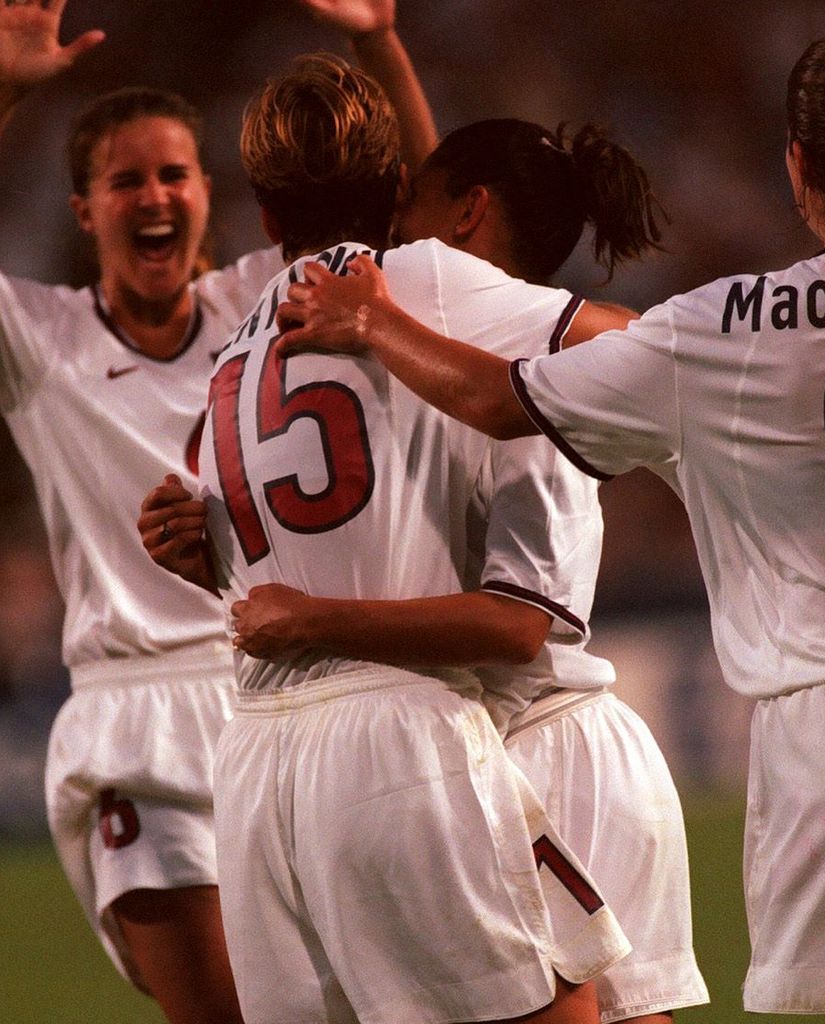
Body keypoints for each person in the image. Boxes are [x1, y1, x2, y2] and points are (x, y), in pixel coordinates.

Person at [276, 30, 825, 1024]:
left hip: (823, 731)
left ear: (799, 164)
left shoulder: (727, 328)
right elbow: (487, 295)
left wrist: (374, 319)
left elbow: (502, 387)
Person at [230, 0, 711, 1024]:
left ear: (464, 214)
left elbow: (601, 336)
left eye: (419, 204)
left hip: (548, 733)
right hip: (477, 738)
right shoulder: (445, 311)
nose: (397, 222)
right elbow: (420, 253)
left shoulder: (477, 324)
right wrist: (381, 47)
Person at [147, 50, 655, 1024]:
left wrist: (194, 545)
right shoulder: (415, 280)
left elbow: (266, 548)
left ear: (261, 216)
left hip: (253, 777)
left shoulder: (238, 337)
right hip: (396, 741)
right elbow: (630, 345)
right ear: (393, 196)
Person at [0, 0, 283, 1023]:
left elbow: (432, 231)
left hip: (279, 701)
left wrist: (378, 41)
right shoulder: (40, 340)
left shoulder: (262, 305)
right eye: (124, 180)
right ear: (85, 212)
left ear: (206, 195)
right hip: (137, 722)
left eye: (172, 173)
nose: (153, 196)